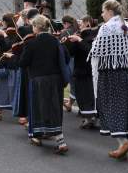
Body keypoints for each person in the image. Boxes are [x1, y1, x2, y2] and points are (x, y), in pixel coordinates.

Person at [88, 0, 128, 160]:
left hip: (111, 74)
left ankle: (123, 142)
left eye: (103, 11)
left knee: (110, 107)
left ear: (109, 10)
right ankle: (123, 143)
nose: (102, 14)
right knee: (124, 107)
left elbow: (96, 52)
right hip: (127, 73)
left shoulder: (107, 28)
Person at [19, 14, 69, 154]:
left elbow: (23, 63)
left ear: (36, 27)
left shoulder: (31, 43)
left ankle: (39, 136)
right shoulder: (56, 41)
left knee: (39, 108)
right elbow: (66, 57)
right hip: (56, 79)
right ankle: (60, 140)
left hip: (39, 80)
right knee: (54, 108)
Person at [0, 13, 23, 122]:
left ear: (5, 22)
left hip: (3, 64)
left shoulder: (3, 34)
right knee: (15, 89)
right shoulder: (19, 32)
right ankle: (22, 116)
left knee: (2, 88)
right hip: (15, 64)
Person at [64, 15, 98, 129]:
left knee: (87, 95)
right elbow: (71, 53)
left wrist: (78, 40)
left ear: (88, 23)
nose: (79, 25)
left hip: (87, 70)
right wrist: (67, 43)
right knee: (82, 95)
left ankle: (90, 118)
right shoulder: (80, 36)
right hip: (80, 69)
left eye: (81, 23)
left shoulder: (92, 37)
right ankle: (87, 117)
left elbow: (90, 51)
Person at [60, 15, 79, 112]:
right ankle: (71, 102)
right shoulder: (77, 30)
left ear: (66, 23)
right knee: (76, 81)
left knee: (71, 81)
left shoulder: (64, 32)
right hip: (79, 58)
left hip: (70, 58)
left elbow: (61, 46)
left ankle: (70, 103)